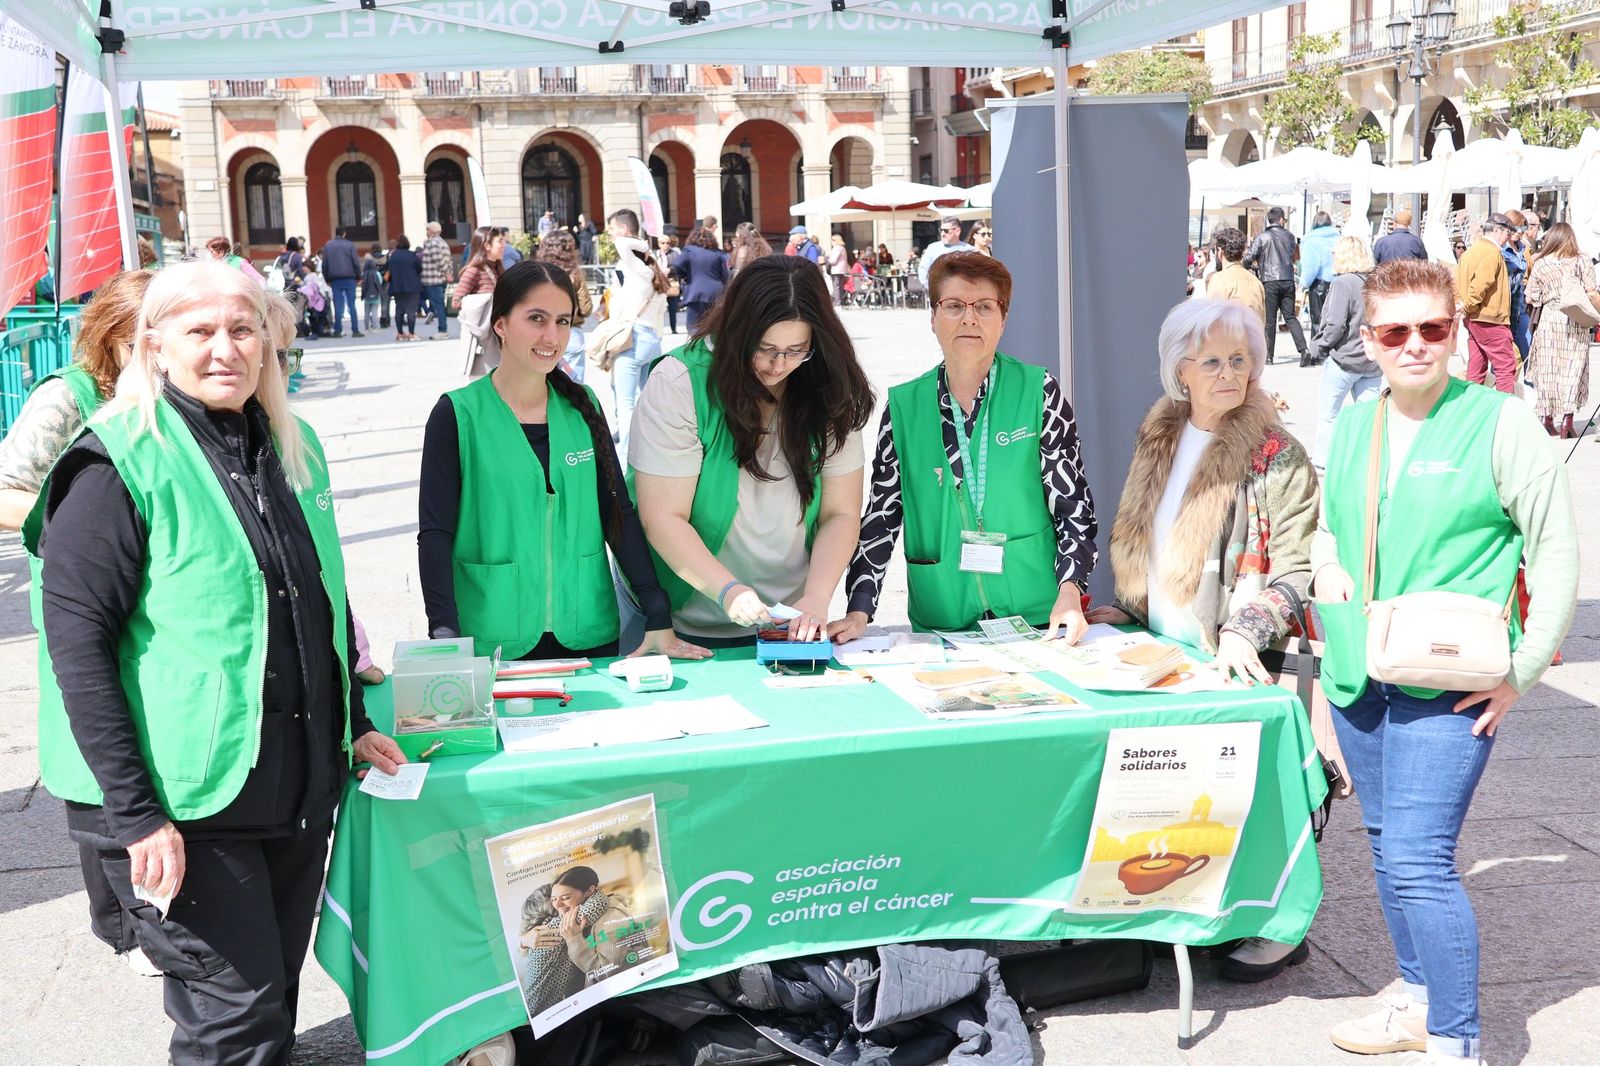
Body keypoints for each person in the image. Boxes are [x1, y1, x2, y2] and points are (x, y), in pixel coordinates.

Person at [27, 259, 407, 1065]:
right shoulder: (115, 460)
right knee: (233, 1019)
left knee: (267, 998)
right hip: (184, 798)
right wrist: (136, 817)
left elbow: (318, 599)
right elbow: (79, 647)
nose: (225, 348)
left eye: (243, 330)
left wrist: (356, 724)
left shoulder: (290, 447)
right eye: (200, 331)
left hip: (289, 779)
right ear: (155, 345)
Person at [1313, 259, 1576, 1066]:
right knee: (1389, 843)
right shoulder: (1358, 422)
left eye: (1433, 328)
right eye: (1396, 332)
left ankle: (1456, 1042)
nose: (1416, 345)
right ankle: (1417, 998)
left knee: (1422, 860)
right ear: (1370, 341)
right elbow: (1330, 536)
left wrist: (1523, 672)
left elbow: (1558, 551)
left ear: (1456, 331)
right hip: (1361, 672)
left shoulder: (1500, 422)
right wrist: (1327, 658)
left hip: (1450, 679)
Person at [1085, 297, 1318, 982]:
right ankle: (1185, 908)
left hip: (1233, 652)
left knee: (1251, 798)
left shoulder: (1276, 452)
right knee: (1182, 806)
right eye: (1211, 360)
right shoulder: (1161, 432)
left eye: (1239, 360)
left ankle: (1279, 924)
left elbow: (1298, 567)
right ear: (1180, 370)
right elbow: (1153, 544)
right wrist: (1128, 611)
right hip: (1166, 646)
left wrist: (1246, 632)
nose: (1227, 373)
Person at [419, 260, 708, 665]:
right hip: (492, 635)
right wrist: (444, 632)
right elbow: (435, 535)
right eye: (536, 318)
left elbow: (617, 512)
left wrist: (656, 609)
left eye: (562, 321)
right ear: (500, 323)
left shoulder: (582, 406)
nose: (551, 336)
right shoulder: (458, 415)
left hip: (588, 630)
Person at [0, 270, 156, 975]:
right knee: (92, 739)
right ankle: (120, 920)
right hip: (84, 586)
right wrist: (77, 529)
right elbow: (6, 487)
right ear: (112, 340)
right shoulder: (68, 396)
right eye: (143, 340)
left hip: (159, 596)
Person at [832, 253, 1097, 642]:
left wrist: (1070, 591)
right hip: (942, 622)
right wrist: (859, 609)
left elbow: (1073, 507)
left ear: (1003, 320)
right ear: (933, 318)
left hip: (1039, 617)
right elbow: (882, 516)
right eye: (954, 305)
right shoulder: (905, 406)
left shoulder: (1039, 392)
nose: (969, 318)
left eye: (984, 307)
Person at [631, 256, 874, 646]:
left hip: (787, 621)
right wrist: (729, 591)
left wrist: (816, 597)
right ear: (736, 333)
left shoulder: (830, 386)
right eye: (764, 349)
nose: (778, 366)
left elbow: (841, 513)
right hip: (682, 619)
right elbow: (663, 517)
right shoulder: (679, 383)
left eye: (796, 350)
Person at [1309, 236, 1382, 468]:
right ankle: (1365, 462)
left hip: (1344, 359)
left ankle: (1324, 461)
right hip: (1371, 361)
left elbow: (1335, 325)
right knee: (1367, 418)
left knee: (1329, 414)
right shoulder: (1375, 282)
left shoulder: (1343, 283)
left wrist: (1318, 347)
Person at [604, 209, 670, 461]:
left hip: (633, 340)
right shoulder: (651, 270)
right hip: (651, 341)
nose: (610, 235)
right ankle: (657, 452)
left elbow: (621, 243)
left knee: (626, 404)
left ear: (623, 229)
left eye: (612, 228)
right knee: (651, 403)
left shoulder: (639, 268)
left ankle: (625, 462)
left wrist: (642, 244)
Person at [1526, 222, 1600, 439]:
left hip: (1550, 318)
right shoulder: (1582, 260)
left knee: (1548, 369)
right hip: (1575, 318)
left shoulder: (1541, 264)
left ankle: (1547, 419)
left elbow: (1531, 296)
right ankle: (1567, 420)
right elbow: (1592, 291)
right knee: (1572, 368)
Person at [1457, 212, 1517, 394]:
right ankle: (1505, 412)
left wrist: (1465, 308)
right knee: (1506, 367)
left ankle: (1470, 408)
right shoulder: (1491, 252)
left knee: (1476, 367)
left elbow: (1458, 282)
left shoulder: (1471, 251)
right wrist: (1468, 306)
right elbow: (1480, 285)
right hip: (1490, 318)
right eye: (1508, 233)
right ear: (1497, 230)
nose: (1508, 238)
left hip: (1475, 318)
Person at [1243, 207, 1306, 365]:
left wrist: (1253, 266)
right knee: (1290, 317)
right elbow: (1295, 256)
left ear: (1269, 220)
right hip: (1288, 278)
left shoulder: (1262, 237)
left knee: (1270, 319)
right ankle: (1304, 349)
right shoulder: (1290, 237)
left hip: (1270, 280)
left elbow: (1248, 257)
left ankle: (1268, 356)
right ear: (1281, 219)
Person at [534, 229, 594, 384]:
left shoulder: (537, 273)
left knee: (544, 387)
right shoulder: (575, 274)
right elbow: (586, 308)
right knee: (574, 390)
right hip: (570, 333)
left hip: (541, 334)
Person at [1205, 226, 1266, 326]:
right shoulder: (1256, 282)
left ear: (1220, 252)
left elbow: (1210, 321)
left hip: (1228, 338)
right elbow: (1262, 320)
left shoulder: (1217, 280)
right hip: (1254, 338)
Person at [675, 225, 730, 334]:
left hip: (695, 293)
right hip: (715, 293)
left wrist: (684, 276)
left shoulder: (689, 251)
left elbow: (677, 264)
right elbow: (725, 274)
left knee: (693, 326)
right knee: (713, 327)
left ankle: (696, 349)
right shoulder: (718, 253)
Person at [1300, 211, 1339, 344]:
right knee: (1335, 319)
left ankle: (1318, 350)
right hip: (1337, 282)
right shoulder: (1339, 238)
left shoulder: (1311, 241)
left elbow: (1311, 266)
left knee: (1318, 320)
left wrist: (1304, 283)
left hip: (1319, 284)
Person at [318, 226, 364, 338]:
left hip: (335, 279)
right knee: (352, 304)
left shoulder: (328, 246)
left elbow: (325, 264)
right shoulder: (350, 245)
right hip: (349, 278)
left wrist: (327, 279)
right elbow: (355, 262)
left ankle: (337, 330)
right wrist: (359, 276)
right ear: (344, 234)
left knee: (337, 305)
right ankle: (355, 330)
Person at [1501, 209, 1532, 363]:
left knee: (1530, 353)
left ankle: (1529, 386)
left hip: (1522, 310)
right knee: (1505, 358)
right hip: (1505, 312)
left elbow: (1529, 273)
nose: (1520, 231)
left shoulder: (1523, 249)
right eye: (1516, 227)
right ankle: (1500, 387)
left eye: (1522, 228)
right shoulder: (1499, 250)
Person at [419, 221, 455, 341]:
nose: (426, 232)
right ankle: (442, 329)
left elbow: (439, 260)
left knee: (438, 305)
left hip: (433, 279)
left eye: (427, 229)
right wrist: (449, 273)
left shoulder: (433, 243)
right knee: (439, 305)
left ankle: (442, 330)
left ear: (431, 230)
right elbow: (448, 260)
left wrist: (446, 273)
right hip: (439, 278)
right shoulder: (442, 242)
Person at [455, 225, 506, 307]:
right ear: (487, 246)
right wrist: (485, 300)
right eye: (500, 241)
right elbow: (456, 302)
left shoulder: (498, 269)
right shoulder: (473, 271)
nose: (504, 245)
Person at [917, 216, 975, 288]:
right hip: (938, 295)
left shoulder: (969, 250)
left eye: (946, 231)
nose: (942, 234)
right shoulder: (932, 248)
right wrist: (932, 289)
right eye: (941, 230)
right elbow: (923, 270)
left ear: (957, 231)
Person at [385, 235, 423, 342]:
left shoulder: (393, 256)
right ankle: (411, 333)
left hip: (397, 286)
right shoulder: (412, 255)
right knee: (411, 310)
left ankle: (400, 332)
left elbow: (388, 268)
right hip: (412, 286)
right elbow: (419, 268)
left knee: (399, 309)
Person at [299, 257, 333, 338]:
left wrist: (300, 287)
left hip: (315, 301)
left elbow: (310, 288)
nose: (303, 269)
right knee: (319, 317)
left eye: (305, 267)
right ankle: (320, 331)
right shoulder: (313, 276)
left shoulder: (311, 276)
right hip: (318, 300)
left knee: (314, 317)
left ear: (309, 267)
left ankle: (315, 333)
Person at [361, 245, 386, 331]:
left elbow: (362, 283)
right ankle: (376, 326)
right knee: (374, 311)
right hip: (376, 294)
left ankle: (366, 326)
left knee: (366, 312)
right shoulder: (377, 273)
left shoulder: (364, 274)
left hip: (367, 295)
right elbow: (380, 282)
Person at [826, 234, 850, 305]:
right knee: (840, 286)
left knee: (836, 286)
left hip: (836, 270)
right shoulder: (843, 248)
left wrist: (827, 259)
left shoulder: (837, 248)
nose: (831, 242)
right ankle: (840, 301)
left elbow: (833, 261)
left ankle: (837, 302)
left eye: (832, 241)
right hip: (842, 270)